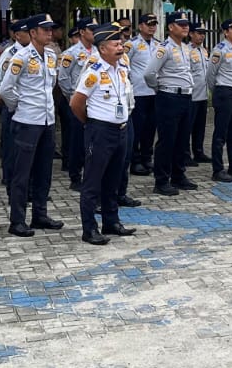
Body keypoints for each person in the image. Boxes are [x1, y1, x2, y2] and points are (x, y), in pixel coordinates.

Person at [0, 14, 65, 237]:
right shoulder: (21, 57)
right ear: (33, 32)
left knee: (44, 171)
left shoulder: (51, 55)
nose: (49, 33)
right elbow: (5, 89)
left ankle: (40, 215)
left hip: (47, 121)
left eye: (51, 29)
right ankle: (17, 220)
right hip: (27, 122)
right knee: (21, 174)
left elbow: (50, 85)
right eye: (45, 30)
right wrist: (18, 106)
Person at [70, 24, 138, 245]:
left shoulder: (121, 69)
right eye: (115, 44)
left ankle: (111, 221)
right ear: (102, 48)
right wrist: (91, 124)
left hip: (120, 130)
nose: (120, 47)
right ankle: (89, 228)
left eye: (120, 44)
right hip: (100, 131)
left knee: (113, 180)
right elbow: (76, 103)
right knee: (93, 182)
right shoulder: (94, 72)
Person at [148, 12, 198, 196]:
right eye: (181, 24)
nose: (186, 27)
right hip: (169, 97)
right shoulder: (164, 48)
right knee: (167, 140)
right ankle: (161, 180)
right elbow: (149, 74)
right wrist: (160, 88)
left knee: (182, 139)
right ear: (170, 27)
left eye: (187, 24)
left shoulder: (185, 48)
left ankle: (178, 175)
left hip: (185, 97)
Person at [0, 18, 28, 188]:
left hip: (27, 109)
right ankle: (9, 177)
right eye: (27, 32)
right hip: (13, 107)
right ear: (17, 35)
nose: (31, 34)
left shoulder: (33, 53)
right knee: (11, 144)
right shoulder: (10, 53)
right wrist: (10, 99)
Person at [207, 19, 232, 181]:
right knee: (220, 133)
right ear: (225, 32)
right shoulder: (219, 50)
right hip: (225, 92)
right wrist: (218, 92)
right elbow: (210, 74)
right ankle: (217, 169)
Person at [58, 18, 96, 190]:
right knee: (77, 140)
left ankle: (90, 174)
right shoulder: (71, 53)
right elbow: (63, 78)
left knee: (92, 140)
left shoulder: (98, 50)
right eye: (91, 29)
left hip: (94, 103)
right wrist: (72, 98)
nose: (94, 32)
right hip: (77, 103)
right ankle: (75, 176)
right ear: (82, 32)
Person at [126, 13, 160, 176]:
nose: (152, 27)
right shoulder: (131, 44)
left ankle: (147, 157)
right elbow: (124, 65)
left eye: (154, 24)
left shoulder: (159, 44)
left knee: (150, 127)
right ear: (140, 26)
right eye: (148, 24)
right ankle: (135, 160)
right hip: (138, 92)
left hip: (154, 91)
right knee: (137, 128)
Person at [186, 22, 211, 168]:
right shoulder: (187, 50)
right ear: (191, 34)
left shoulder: (204, 51)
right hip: (192, 95)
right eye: (199, 33)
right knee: (187, 127)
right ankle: (185, 154)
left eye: (203, 33)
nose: (201, 36)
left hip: (203, 95)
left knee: (200, 127)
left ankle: (199, 152)